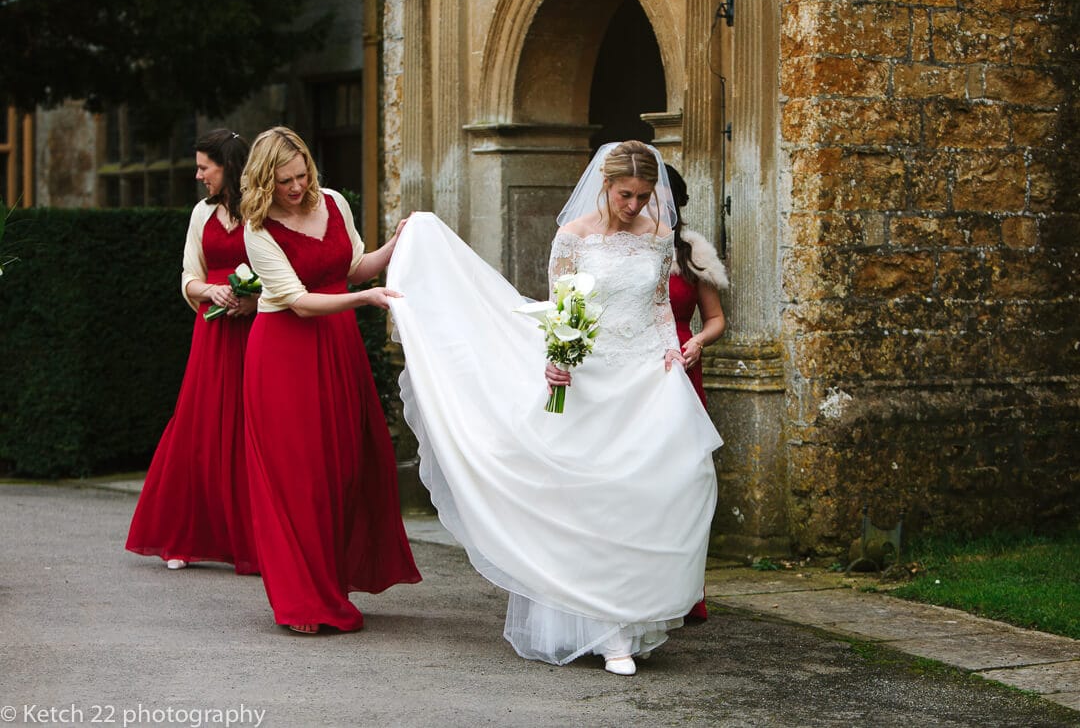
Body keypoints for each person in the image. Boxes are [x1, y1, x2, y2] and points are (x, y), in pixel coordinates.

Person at [387, 140, 721, 675]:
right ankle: (602, 630)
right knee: (591, 499)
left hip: (645, 378)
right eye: (624, 194)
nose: (634, 206)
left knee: (666, 487)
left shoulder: (661, 238)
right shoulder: (573, 237)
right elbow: (562, 308)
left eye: (643, 195)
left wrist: (673, 351)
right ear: (605, 186)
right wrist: (556, 359)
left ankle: (631, 619)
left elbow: (660, 305)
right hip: (588, 381)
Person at [240, 127, 421, 634]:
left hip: (339, 349)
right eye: (284, 182)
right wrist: (364, 301)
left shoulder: (334, 202)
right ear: (263, 181)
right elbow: (297, 301)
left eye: (301, 176)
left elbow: (354, 266)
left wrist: (397, 245)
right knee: (300, 478)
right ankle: (301, 598)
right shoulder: (258, 230)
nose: (297, 188)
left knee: (344, 466)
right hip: (284, 355)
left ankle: (330, 582)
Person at [126, 129, 260, 575]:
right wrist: (212, 292)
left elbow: (282, 271)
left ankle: (257, 541)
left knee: (252, 429)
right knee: (197, 425)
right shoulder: (201, 215)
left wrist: (253, 301)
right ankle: (182, 534)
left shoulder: (263, 213)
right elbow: (188, 275)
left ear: (229, 166)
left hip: (259, 330)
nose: (199, 175)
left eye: (206, 167)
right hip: (213, 331)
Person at [664, 163, 729, 621]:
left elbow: (715, 319)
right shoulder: (615, 248)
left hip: (682, 371)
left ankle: (688, 592)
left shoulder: (692, 252)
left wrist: (697, 342)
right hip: (631, 369)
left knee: (684, 478)